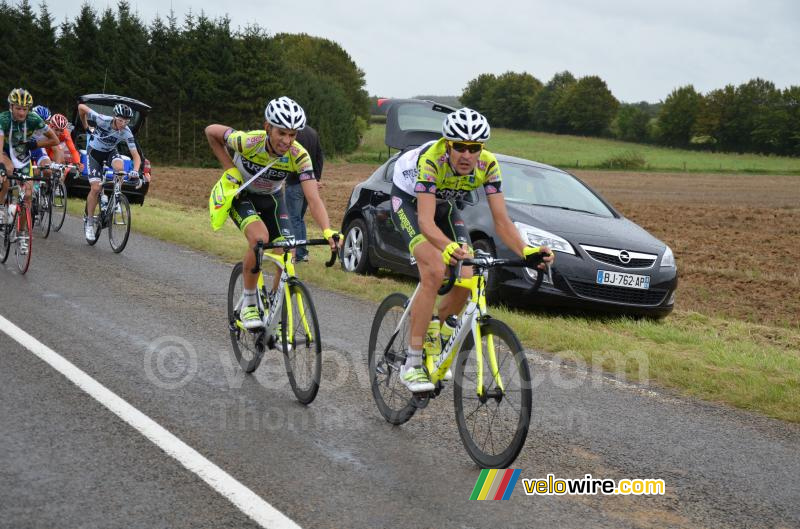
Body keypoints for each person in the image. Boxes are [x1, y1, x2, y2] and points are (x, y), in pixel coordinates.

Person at [389, 108, 555, 392]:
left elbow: (501, 221)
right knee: (434, 270)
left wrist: (526, 251)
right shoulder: (432, 160)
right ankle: (412, 363)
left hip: (445, 204)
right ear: (448, 145)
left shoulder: (488, 165)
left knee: (470, 271)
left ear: (482, 149)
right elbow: (425, 222)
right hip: (408, 202)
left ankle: (436, 336)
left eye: (474, 148)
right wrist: (446, 246)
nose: (467, 155)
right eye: (460, 147)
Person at [205, 96, 341, 330]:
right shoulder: (248, 142)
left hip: (272, 199)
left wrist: (328, 230)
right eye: (282, 133)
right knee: (260, 239)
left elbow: (313, 197)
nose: (287, 141)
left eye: (293, 134)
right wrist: (230, 169)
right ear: (268, 128)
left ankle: (276, 306)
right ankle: (248, 301)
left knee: (287, 247)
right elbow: (211, 131)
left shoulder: (299, 156)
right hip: (243, 195)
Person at [77, 102, 142, 242]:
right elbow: (81, 107)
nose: (123, 124)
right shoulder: (101, 119)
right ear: (114, 117)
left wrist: (136, 171)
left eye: (126, 121)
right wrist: (86, 126)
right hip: (94, 153)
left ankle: (116, 197)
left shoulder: (126, 132)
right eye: (120, 120)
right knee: (95, 188)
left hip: (110, 152)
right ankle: (89, 222)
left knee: (120, 169)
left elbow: (136, 156)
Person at [0, 89, 59, 227]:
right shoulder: (3, 119)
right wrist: (1, 167)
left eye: (25, 109)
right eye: (18, 108)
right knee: (7, 171)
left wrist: (37, 144)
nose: (21, 112)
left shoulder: (34, 119)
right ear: (11, 107)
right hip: (5, 153)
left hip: (22, 156)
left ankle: (22, 235)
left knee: (27, 196)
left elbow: (55, 140)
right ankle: (2, 207)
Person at [285, 125, 324, 262]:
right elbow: (319, 156)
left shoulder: (290, 134)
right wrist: (316, 179)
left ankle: (297, 254)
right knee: (299, 218)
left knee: (293, 219)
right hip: (310, 182)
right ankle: (302, 252)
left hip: (295, 182)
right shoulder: (313, 132)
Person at [44, 113, 83, 180]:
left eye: (61, 130)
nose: (58, 133)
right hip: (45, 147)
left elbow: (73, 150)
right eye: (56, 130)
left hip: (54, 149)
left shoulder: (65, 133)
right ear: (51, 126)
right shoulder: (46, 130)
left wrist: (78, 163)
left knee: (60, 154)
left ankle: (57, 183)